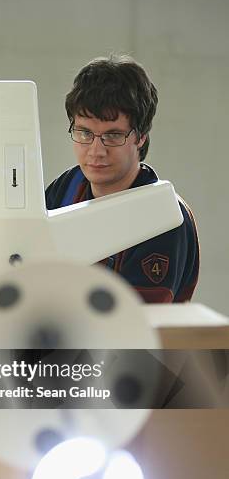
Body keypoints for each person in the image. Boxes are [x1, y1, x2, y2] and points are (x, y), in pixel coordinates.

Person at [46, 55, 199, 303]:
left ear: (141, 137)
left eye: (113, 135)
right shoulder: (67, 187)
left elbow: (131, 318)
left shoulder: (165, 213)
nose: (96, 150)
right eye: (84, 133)